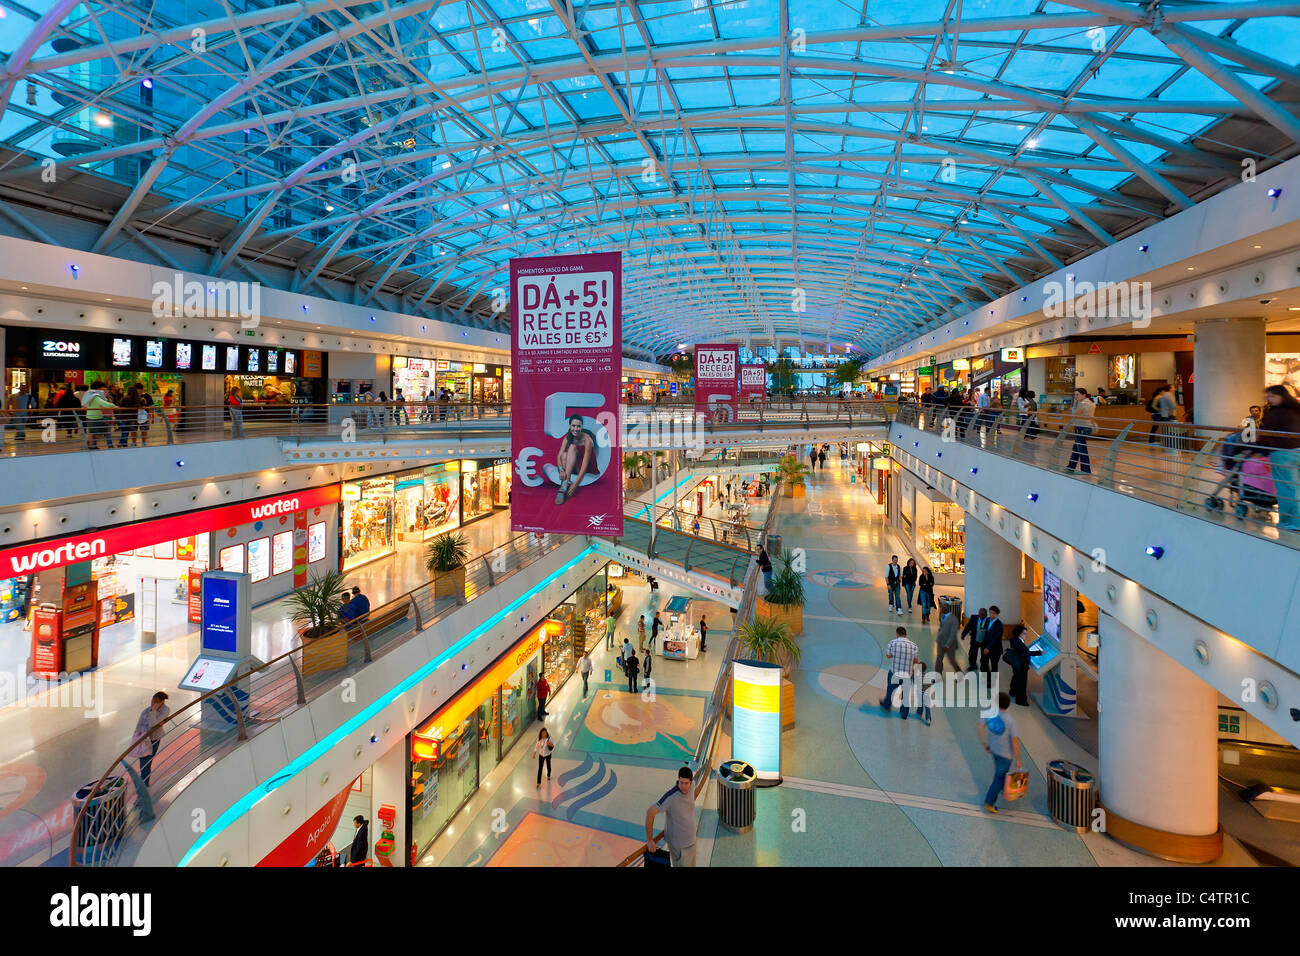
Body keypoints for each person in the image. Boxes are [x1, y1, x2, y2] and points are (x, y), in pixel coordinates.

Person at [1261, 384, 1300, 532]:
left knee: (1286, 489)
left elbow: (1264, 434)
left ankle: (1292, 522)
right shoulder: (1296, 409)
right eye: (1267, 396)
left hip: (1283, 454)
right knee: (1294, 487)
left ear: (1281, 396)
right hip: (1297, 451)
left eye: (1272, 396)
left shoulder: (1277, 413)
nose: (1269, 399)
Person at [978, 693, 1021, 813]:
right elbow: (1015, 742)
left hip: (994, 750)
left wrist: (984, 743)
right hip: (1005, 755)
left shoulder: (989, 713)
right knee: (999, 777)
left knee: (1000, 773)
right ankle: (989, 802)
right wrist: (1018, 760)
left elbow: (980, 726)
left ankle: (1003, 787)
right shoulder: (1011, 721)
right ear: (1008, 706)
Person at [645, 766, 697, 866]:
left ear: (691, 782)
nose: (683, 786)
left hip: (691, 841)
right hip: (679, 846)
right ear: (678, 780)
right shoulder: (671, 797)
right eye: (681, 782)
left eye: (686, 783)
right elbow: (650, 812)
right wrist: (650, 840)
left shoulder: (693, 786)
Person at [128, 691, 170, 786]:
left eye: (156, 702)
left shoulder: (165, 710)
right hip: (143, 740)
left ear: (162, 702)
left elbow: (151, 724)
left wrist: (153, 711)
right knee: (143, 762)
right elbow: (139, 725)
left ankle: (144, 783)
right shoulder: (146, 710)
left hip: (153, 739)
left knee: (146, 762)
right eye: (152, 701)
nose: (152, 704)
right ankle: (144, 783)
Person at [880, 627, 919, 719]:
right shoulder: (914, 646)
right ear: (906, 634)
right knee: (905, 694)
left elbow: (888, 656)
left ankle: (887, 705)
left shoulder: (892, 643)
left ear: (897, 634)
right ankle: (904, 714)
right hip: (907, 674)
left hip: (894, 673)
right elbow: (916, 661)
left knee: (890, 690)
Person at [555, 415, 594, 505]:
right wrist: (560, 470)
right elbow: (559, 456)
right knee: (564, 455)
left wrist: (575, 484)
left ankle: (564, 485)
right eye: (573, 426)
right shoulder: (567, 438)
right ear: (569, 426)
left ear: (582, 427)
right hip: (573, 466)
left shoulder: (587, 439)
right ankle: (565, 483)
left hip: (585, 467)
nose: (576, 429)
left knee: (572, 447)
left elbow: (585, 464)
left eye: (578, 426)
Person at [1004, 624, 1042, 706]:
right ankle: (1021, 700)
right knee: (1022, 683)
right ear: (1019, 633)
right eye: (1024, 633)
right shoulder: (1018, 642)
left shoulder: (1013, 639)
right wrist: (1040, 652)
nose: (1025, 635)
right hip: (1021, 665)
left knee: (1016, 677)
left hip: (1016, 664)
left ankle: (1013, 692)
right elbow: (1026, 652)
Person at [1066, 387, 1095, 475]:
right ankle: (1071, 466)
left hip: (1081, 427)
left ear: (1084, 395)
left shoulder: (1083, 404)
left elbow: (1074, 413)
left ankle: (1086, 470)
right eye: (1075, 395)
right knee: (1076, 447)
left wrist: (1074, 405)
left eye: (1077, 395)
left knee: (1081, 448)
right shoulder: (1089, 402)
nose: (1076, 397)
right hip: (1084, 426)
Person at [82, 381, 116, 450]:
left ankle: (93, 445)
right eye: (103, 388)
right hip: (94, 416)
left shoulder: (90, 394)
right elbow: (102, 403)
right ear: (98, 388)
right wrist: (113, 406)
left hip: (91, 416)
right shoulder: (95, 396)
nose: (104, 390)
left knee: (93, 432)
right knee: (92, 433)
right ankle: (92, 446)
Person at [981, 605, 1005, 692]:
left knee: (994, 666)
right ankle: (987, 678)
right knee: (984, 664)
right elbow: (984, 631)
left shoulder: (999, 625)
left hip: (995, 650)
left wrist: (988, 648)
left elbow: (996, 639)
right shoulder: (987, 620)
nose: (991, 614)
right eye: (990, 612)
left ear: (997, 614)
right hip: (985, 647)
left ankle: (993, 682)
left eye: (993, 613)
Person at [934, 602, 962, 674]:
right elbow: (941, 628)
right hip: (940, 642)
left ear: (946, 608)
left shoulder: (954, 619)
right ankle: (938, 675)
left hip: (949, 645)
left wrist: (947, 645)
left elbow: (952, 634)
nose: (940, 609)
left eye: (942, 608)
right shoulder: (942, 615)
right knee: (939, 659)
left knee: (952, 661)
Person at [962, 607, 988, 672]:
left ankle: (984, 668)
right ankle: (973, 666)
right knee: (972, 654)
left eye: (983, 615)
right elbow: (968, 626)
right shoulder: (974, 618)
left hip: (984, 642)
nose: (981, 616)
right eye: (980, 614)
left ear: (986, 615)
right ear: (978, 613)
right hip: (975, 640)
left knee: (984, 657)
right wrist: (963, 634)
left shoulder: (989, 621)